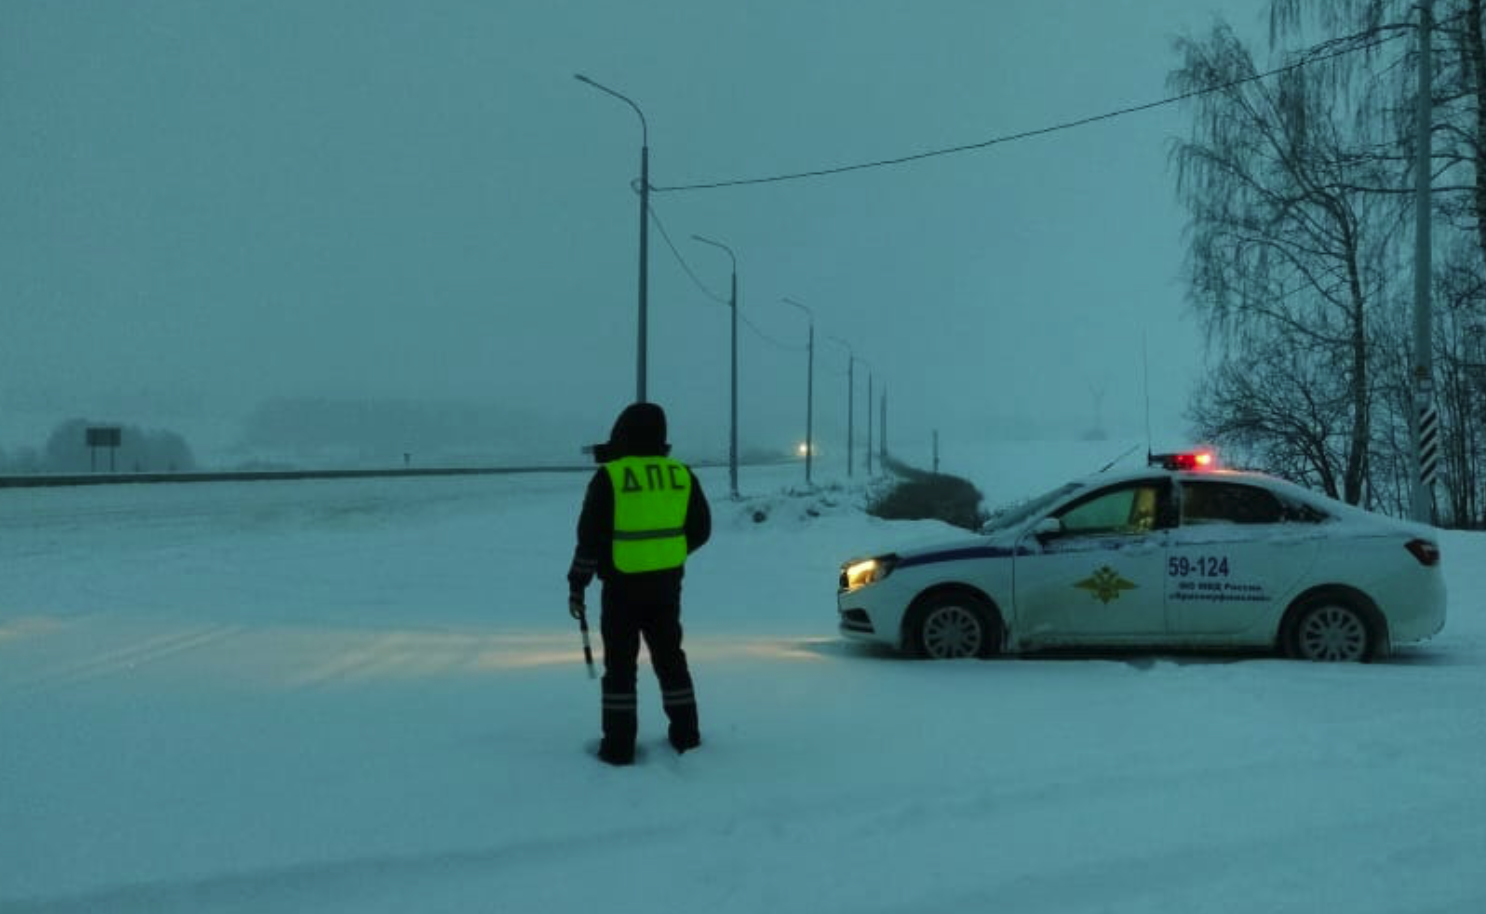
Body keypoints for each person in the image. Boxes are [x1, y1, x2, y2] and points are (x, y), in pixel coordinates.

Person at [567, 402, 712, 766]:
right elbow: (701, 530)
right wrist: (668, 555)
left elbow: (589, 538)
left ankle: (618, 748)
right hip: (666, 587)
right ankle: (687, 735)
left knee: (620, 667)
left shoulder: (611, 477)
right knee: (670, 659)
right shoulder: (681, 474)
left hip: (621, 587)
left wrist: (578, 583)